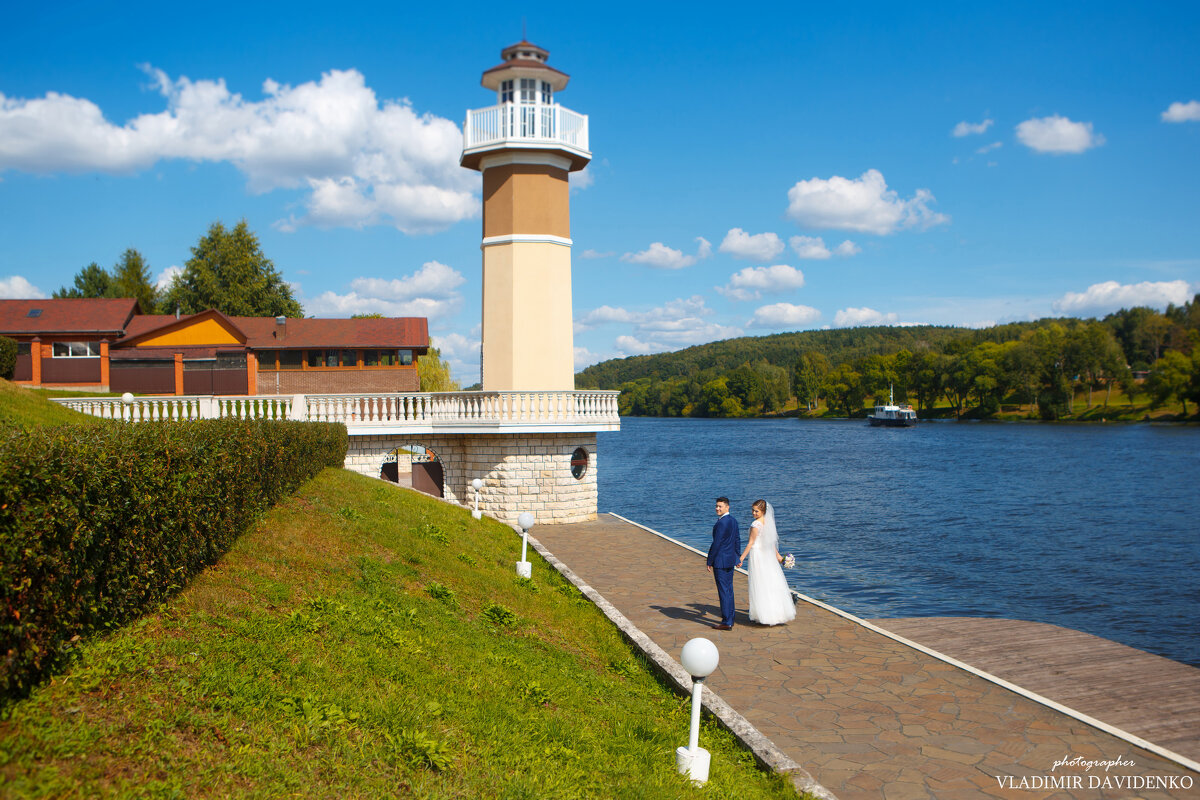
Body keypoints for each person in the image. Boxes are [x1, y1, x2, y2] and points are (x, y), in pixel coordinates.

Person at [737, 500, 796, 626]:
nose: (754, 513)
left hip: (758, 555)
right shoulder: (768, 523)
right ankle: (775, 614)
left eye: (756, 511)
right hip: (767, 556)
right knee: (769, 582)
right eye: (753, 510)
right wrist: (778, 556)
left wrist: (741, 558)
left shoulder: (755, 524)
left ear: (763, 511)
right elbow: (771, 542)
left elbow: (750, 543)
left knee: (760, 583)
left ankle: (764, 614)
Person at [706, 496, 740, 631]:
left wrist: (709, 560)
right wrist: (737, 557)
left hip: (720, 561)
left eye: (720, 506)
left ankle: (726, 621)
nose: (717, 508)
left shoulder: (722, 523)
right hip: (730, 560)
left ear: (727, 507)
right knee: (729, 590)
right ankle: (730, 618)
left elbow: (717, 543)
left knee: (724, 591)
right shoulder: (733, 520)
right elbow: (737, 539)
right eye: (716, 506)